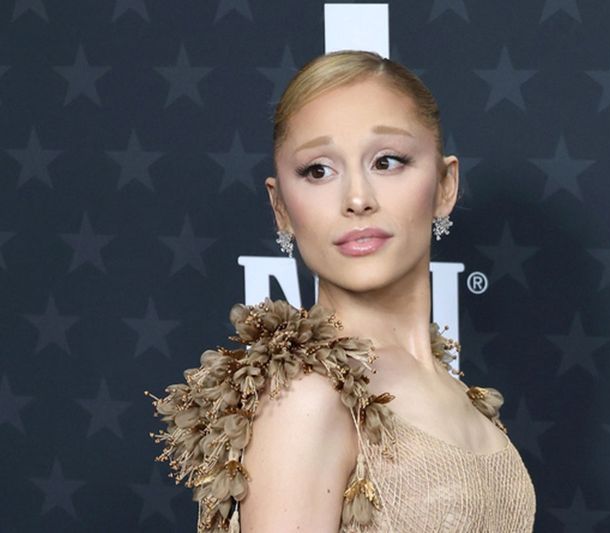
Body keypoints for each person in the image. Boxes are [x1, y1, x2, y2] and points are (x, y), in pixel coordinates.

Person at [149, 50, 536, 533]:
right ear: (281, 207)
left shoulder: (456, 390)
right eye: (318, 170)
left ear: (444, 185)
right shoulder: (306, 398)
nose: (357, 199)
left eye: (387, 161)